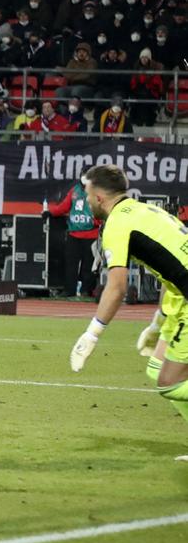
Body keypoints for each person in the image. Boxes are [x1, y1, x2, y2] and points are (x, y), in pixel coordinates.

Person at [69, 164, 188, 460]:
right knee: (156, 368)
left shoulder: (116, 226)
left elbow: (117, 287)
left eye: (86, 194)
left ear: (98, 197)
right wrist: (158, 324)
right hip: (180, 299)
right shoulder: (144, 211)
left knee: (169, 382)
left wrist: (91, 334)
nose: (85, 200)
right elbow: (169, 272)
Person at [45, 179, 100, 300]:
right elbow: (64, 207)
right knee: (70, 264)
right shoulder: (74, 190)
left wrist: (97, 221)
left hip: (91, 234)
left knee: (89, 265)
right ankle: (69, 290)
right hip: (74, 234)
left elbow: (102, 209)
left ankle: (86, 290)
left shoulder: (97, 191)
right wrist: (50, 212)